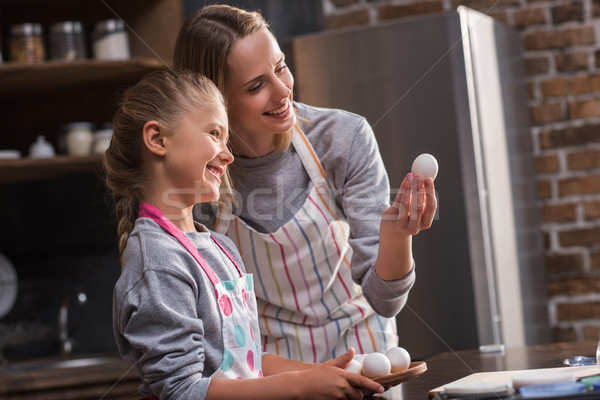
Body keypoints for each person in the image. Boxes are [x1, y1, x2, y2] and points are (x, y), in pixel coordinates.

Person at [173, 5, 437, 364]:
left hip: (360, 348)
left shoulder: (341, 139)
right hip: (270, 364)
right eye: (256, 86)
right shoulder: (199, 176)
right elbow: (206, 324)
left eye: (280, 66)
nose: (283, 91)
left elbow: (385, 301)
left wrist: (397, 236)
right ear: (216, 103)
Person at [104, 69, 384, 400]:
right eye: (213, 133)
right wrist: (302, 386)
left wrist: (321, 372)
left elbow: (247, 361)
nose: (228, 154)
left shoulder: (220, 247)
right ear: (158, 139)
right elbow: (182, 390)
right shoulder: (158, 262)